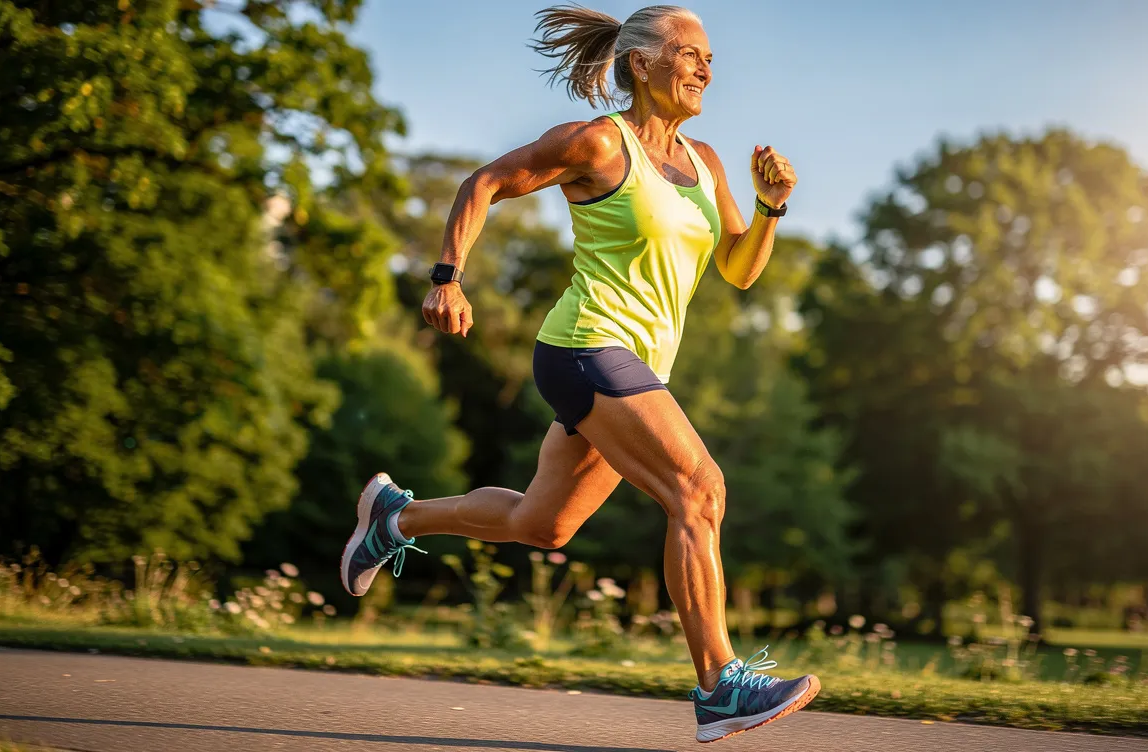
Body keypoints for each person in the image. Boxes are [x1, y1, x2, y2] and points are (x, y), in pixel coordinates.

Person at [340, 4, 817, 742]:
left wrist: (769, 209)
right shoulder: (597, 143)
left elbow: (739, 270)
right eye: (690, 53)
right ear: (641, 63)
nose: (705, 68)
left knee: (543, 522)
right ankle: (721, 682)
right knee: (699, 488)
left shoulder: (707, 163)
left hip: (638, 370)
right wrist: (447, 276)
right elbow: (487, 182)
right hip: (585, 346)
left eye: (711, 59)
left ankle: (394, 517)